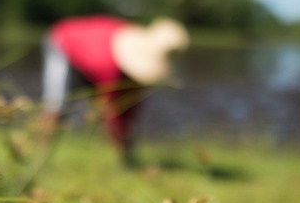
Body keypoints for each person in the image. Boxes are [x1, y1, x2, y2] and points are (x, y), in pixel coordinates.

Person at [41, 15, 189, 166]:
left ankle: (125, 157)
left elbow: (131, 106)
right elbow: (112, 111)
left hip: (95, 52)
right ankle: (41, 156)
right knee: (58, 106)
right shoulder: (109, 68)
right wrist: (123, 147)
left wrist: (127, 136)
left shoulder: (135, 53)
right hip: (63, 41)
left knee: (115, 112)